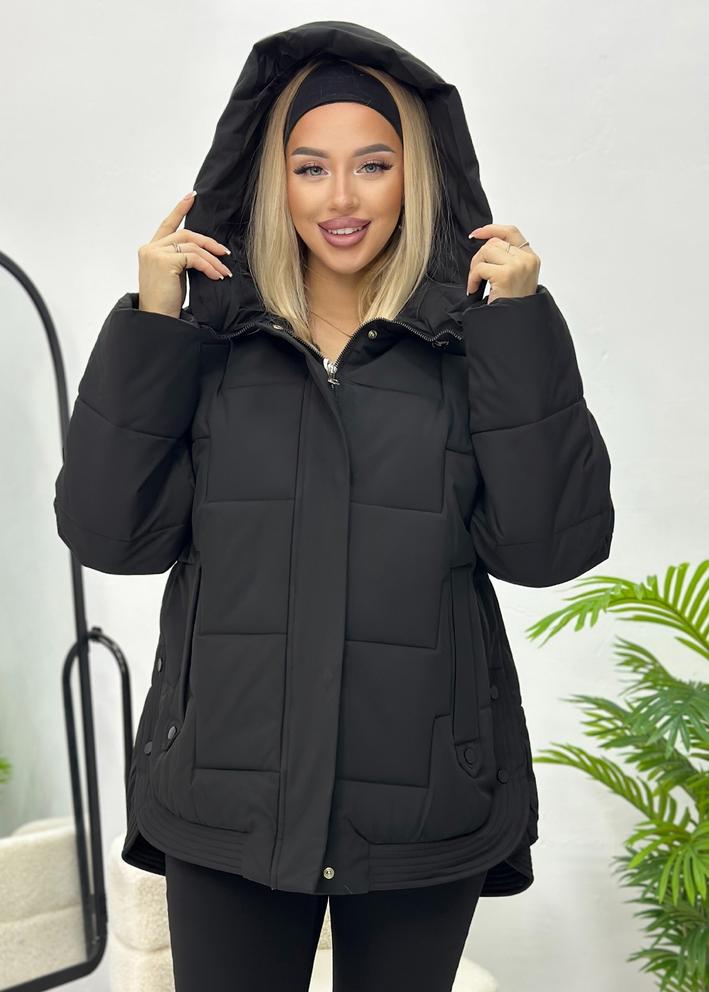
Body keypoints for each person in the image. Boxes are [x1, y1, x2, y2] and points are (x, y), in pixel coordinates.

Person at [53, 19, 614, 992]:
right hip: (226, 798)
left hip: (424, 807)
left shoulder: (469, 349)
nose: (341, 198)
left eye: (372, 165)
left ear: (416, 175)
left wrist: (520, 327)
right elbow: (112, 534)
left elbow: (546, 549)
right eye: (310, 167)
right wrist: (152, 323)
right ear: (272, 181)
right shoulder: (212, 349)